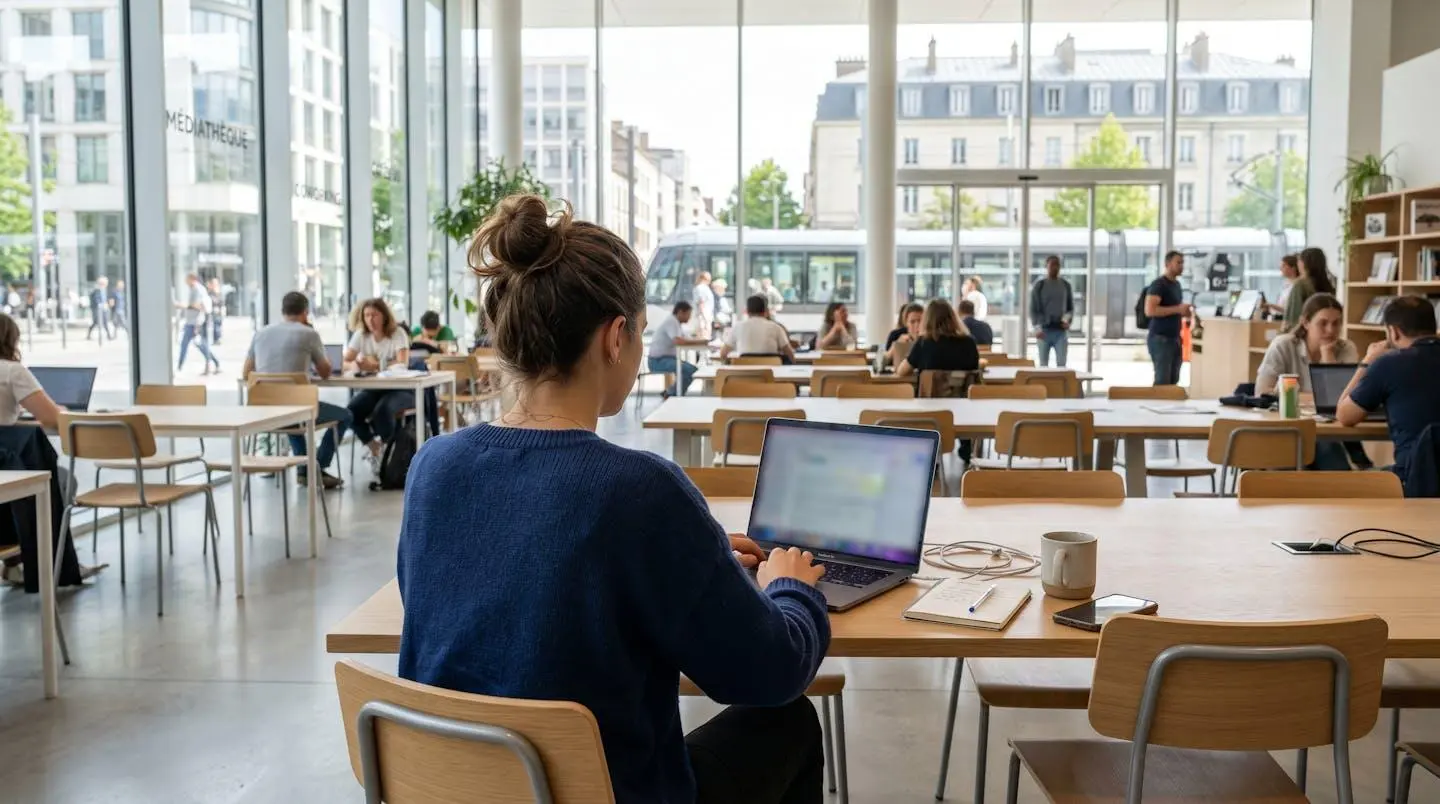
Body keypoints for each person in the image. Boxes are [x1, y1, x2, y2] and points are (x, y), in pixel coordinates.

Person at [398, 194, 829, 804]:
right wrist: (792, 589)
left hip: (456, 789)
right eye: (642, 331)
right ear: (616, 337)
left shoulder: (432, 467)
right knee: (789, 721)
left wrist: (697, 565)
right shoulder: (641, 491)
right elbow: (769, 673)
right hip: (608, 793)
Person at [244, 291, 352, 489]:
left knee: (293, 412)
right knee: (344, 416)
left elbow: (246, 373)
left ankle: (304, 472)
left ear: (282, 311)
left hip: (263, 411)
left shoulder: (260, 333)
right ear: (305, 312)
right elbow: (326, 372)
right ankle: (317, 467)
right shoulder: (308, 334)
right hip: (295, 410)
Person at [1339, 295, 1440, 485]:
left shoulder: (1389, 364)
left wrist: (1368, 361)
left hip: (1415, 479)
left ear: (1394, 332)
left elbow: (1344, 415)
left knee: (1349, 482)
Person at [344, 297, 411, 466]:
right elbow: (345, 361)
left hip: (401, 389)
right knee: (350, 412)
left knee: (383, 410)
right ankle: (374, 445)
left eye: (374, 315)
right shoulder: (361, 335)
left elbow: (402, 362)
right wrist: (355, 365)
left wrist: (374, 366)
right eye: (366, 315)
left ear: (384, 316)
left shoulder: (397, 333)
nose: (370, 319)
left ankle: (390, 450)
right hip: (374, 388)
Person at [1255, 294, 1358, 395]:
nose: (1330, 330)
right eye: (1323, 323)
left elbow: (1343, 398)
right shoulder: (1282, 345)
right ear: (1305, 323)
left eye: (1335, 323)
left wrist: (1328, 354)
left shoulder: (1347, 348)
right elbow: (1261, 392)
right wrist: (1315, 399)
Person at [895, 299, 981, 378]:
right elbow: (975, 372)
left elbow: (901, 371)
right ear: (953, 317)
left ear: (927, 319)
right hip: (963, 390)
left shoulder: (923, 343)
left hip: (931, 390)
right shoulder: (969, 342)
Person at [1144, 251, 1192, 386]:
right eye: (1178, 262)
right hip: (1161, 339)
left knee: (1173, 380)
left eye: (1182, 263)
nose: (1181, 266)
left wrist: (1184, 312)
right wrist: (1178, 309)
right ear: (1167, 264)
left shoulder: (1177, 285)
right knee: (1162, 380)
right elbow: (1150, 310)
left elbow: (1174, 309)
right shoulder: (1159, 285)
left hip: (1175, 338)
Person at [648, 301, 710, 396]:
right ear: (680, 312)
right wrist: (701, 342)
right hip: (657, 362)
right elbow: (678, 341)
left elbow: (685, 339)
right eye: (688, 314)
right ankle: (672, 394)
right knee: (689, 370)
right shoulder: (672, 321)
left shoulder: (676, 323)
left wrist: (699, 340)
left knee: (692, 369)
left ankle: (670, 393)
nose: (689, 317)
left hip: (666, 360)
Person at [720, 295, 795, 362]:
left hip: (745, 371)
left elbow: (723, 354)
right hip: (771, 371)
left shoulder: (738, 327)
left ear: (747, 311)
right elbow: (790, 354)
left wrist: (728, 363)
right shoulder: (776, 327)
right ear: (765, 311)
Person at [1030, 256, 1073, 367]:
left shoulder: (1066, 286)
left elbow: (1070, 308)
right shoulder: (1039, 286)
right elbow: (1033, 309)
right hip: (1044, 331)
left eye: (1057, 265)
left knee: (1062, 364)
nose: (1055, 268)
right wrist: (1037, 328)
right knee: (1043, 365)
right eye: (1052, 265)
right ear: (1047, 266)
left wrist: (1068, 320)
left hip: (1060, 332)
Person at [176, 274, 221, 375]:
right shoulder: (194, 289)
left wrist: (184, 306)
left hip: (195, 323)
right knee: (196, 345)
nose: (185, 282)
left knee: (198, 345)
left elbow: (198, 305)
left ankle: (180, 366)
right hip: (192, 322)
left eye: (187, 280)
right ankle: (180, 366)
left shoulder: (198, 290)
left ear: (192, 280)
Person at [1284, 247, 1337, 332]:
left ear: (1304, 263)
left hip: (1303, 332)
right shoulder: (1330, 285)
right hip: (1325, 331)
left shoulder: (1300, 285)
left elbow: (1293, 317)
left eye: (1299, 261)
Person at [1263, 254, 1299, 319]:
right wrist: (1269, 308)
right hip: (1279, 318)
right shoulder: (1286, 285)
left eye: (1284, 265)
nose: (1280, 268)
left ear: (1293, 268)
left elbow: (1290, 310)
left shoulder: (1297, 286)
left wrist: (1271, 305)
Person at [86, 277, 112, 341]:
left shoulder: (104, 290)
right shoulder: (96, 291)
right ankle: (89, 335)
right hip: (98, 310)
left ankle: (108, 335)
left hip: (104, 309)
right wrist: (101, 304)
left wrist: (107, 304)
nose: (105, 285)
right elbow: (96, 300)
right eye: (104, 283)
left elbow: (105, 299)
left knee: (105, 322)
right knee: (95, 322)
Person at [691, 270, 715, 339]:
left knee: (704, 334)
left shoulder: (702, 287)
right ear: (705, 279)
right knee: (704, 334)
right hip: (703, 315)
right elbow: (701, 302)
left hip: (705, 314)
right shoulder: (701, 288)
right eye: (709, 279)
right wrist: (705, 318)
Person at [207, 277, 226, 344]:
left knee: (218, 324)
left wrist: (221, 309)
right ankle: (216, 339)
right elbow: (210, 301)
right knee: (215, 325)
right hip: (213, 311)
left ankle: (217, 338)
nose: (215, 285)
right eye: (213, 283)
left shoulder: (219, 292)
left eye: (216, 283)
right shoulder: (210, 292)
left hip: (219, 311)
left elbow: (222, 301)